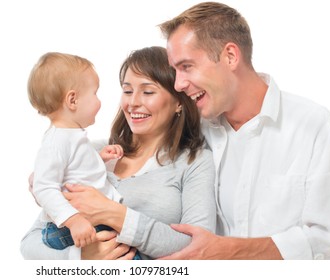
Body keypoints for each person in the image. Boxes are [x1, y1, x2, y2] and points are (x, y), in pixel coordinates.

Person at [155, 2, 330, 260]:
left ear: (230, 56)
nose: (179, 84)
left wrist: (228, 252)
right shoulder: (193, 131)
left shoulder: (314, 126)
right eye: (175, 70)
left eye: (187, 66)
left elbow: (328, 241)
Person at [20, 46, 216, 260]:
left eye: (148, 91)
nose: (133, 103)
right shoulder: (89, 152)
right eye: (127, 90)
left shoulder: (194, 162)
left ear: (179, 101)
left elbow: (200, 249)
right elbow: (31, 242)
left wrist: (114, 214)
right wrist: (81, 260)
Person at [27, 52, 129, 259]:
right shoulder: (57, 141)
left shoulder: (73, 136)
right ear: (72, 100)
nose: (99, 101)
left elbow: (76, 171)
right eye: (95, 93)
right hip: (72, 227)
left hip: (87, 220)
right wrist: (74, 220)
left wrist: (100, 159)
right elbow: (44, 187)